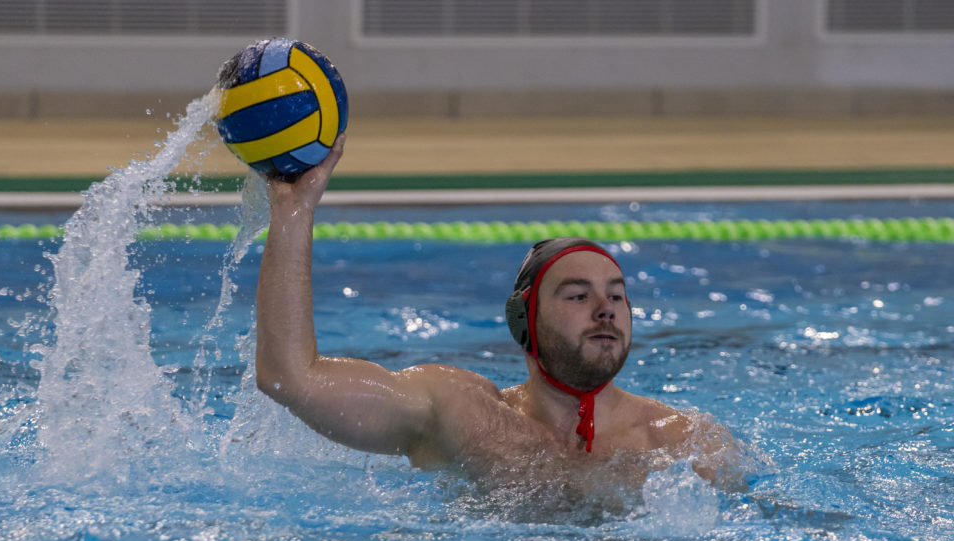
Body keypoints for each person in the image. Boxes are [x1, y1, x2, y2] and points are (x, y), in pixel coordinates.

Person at [255, 135, 746, 502]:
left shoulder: (686, 443)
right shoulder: (463, 415)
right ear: (524, 324)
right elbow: (291, 379)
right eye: (577, 296)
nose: (606, 310)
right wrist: (293, 211)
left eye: (617, 297)